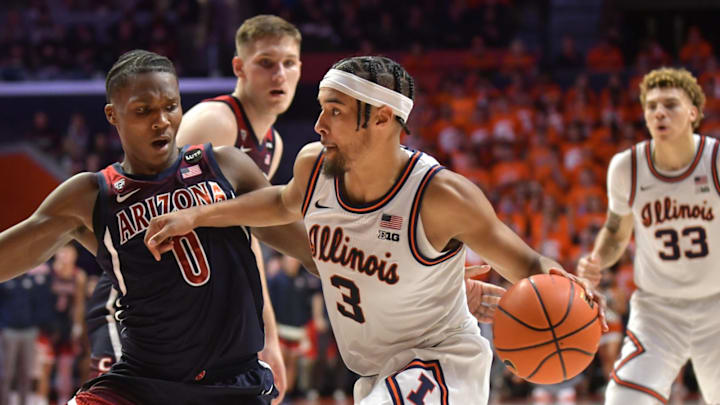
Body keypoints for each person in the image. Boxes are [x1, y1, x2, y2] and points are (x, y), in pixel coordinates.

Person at [145, 55, 606, 404]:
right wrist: (198, 215)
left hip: (441, 364)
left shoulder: (441, 196)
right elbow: (282, 202)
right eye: (322, 109)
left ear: (383, 118)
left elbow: (527, 263)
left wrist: (568, 290)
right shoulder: (315, 166)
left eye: (336, 111)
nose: (320, 123)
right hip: (374, 374)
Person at [0, 49, 315, 404]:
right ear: (112, 115)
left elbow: (310, 251)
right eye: (143, 110)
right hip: (140, 384)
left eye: (170, 106)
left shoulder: (226, 165)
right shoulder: (91, 194)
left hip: (231, 383)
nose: (161, 120)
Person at [85, 15, 301, 403]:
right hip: (135, 296)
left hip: (186, 310)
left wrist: (267, 339)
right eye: (266, 63)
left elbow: (245, 242)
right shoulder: (215, 123)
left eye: (289, 63)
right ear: (239, 68)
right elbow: (154, 205)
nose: (279, 75)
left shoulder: (272, 143)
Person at [576, 67, 720, 405]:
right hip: (659, 310)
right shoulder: (627, 167)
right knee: (625, 398)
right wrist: (599, 259)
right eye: (651, 105)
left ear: (693, 113)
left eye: (670, 104)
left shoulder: (714, 161)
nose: (659, 112)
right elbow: (615, 230)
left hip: (716, 303)